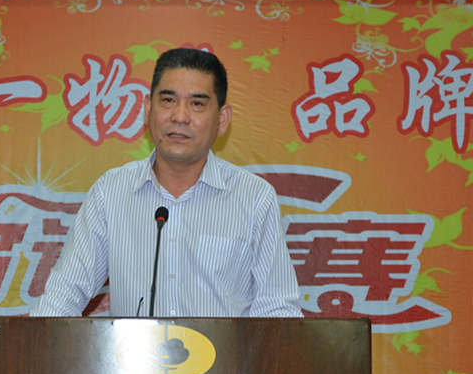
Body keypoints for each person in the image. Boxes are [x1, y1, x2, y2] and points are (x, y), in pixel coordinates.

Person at [30, 48, 302, 317]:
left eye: (197, 104)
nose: (179, 116)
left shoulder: (254, 197)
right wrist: (34, 340)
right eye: (168, 100)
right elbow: (65, 294)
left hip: (225, 349)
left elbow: (277, 309)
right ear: (148, 110)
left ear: (222, 120)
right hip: (135, 349)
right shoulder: (111, 192)